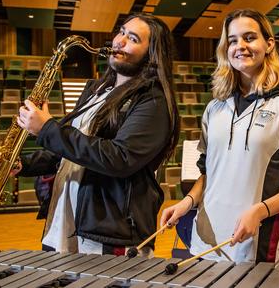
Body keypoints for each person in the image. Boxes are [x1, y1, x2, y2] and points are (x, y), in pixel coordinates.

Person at [161, 8, 279, 263]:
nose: (240, 46)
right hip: (206, 240)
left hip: (257, 244)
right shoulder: (215, 107)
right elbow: (208, 173)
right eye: (232, 40)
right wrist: (187, 202)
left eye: (249, 37)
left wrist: (260, 211)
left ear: (269, 44)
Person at [15, 13, 180, 256]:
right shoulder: (95, 89)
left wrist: (48, 129)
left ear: (152, 54)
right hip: (64, 220)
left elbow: (119, 158)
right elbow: (70, 151)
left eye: (132, 38)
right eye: (121, 32)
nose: (119, 41)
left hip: (109, 231)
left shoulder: (153, 101)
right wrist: (23, 164)